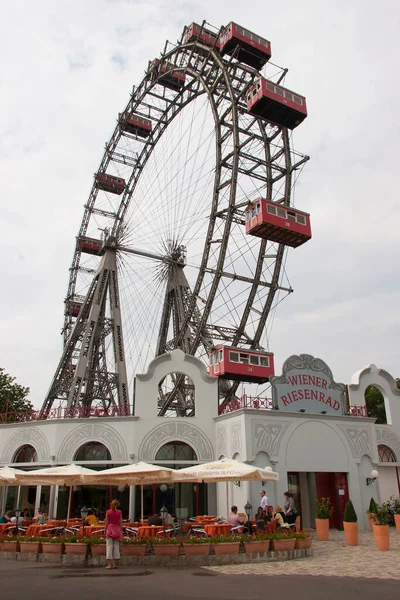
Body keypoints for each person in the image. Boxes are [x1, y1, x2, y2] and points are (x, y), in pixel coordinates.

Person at [104, 499, 123, 569]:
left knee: (109, 547)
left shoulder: (108, 512)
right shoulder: (119, 512)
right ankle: (115, 564)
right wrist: (121, 530)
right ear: (117, 505)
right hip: (117, 529)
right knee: (116, 547)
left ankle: (109, 564)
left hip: (110, 529)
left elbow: (106, 523)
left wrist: (105, 530)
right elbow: (121, 522)